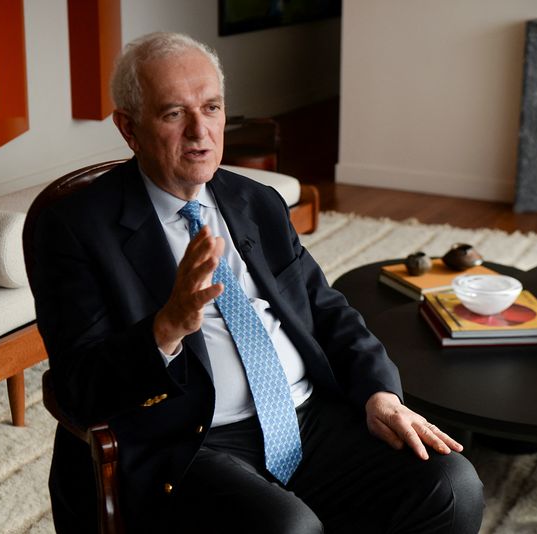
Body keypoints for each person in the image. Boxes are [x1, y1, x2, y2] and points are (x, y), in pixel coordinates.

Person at [29, 31, 484, 534]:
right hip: (192, 444)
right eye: (173, 114)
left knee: (451, 484)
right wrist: (166, 329)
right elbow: (77, 386)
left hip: (306, 416)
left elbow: (325, 308)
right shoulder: (74, 228)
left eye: (212, 107)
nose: (200, 132)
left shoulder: (257, 200)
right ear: (129, 128)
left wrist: (380, 394)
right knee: (288, 527)